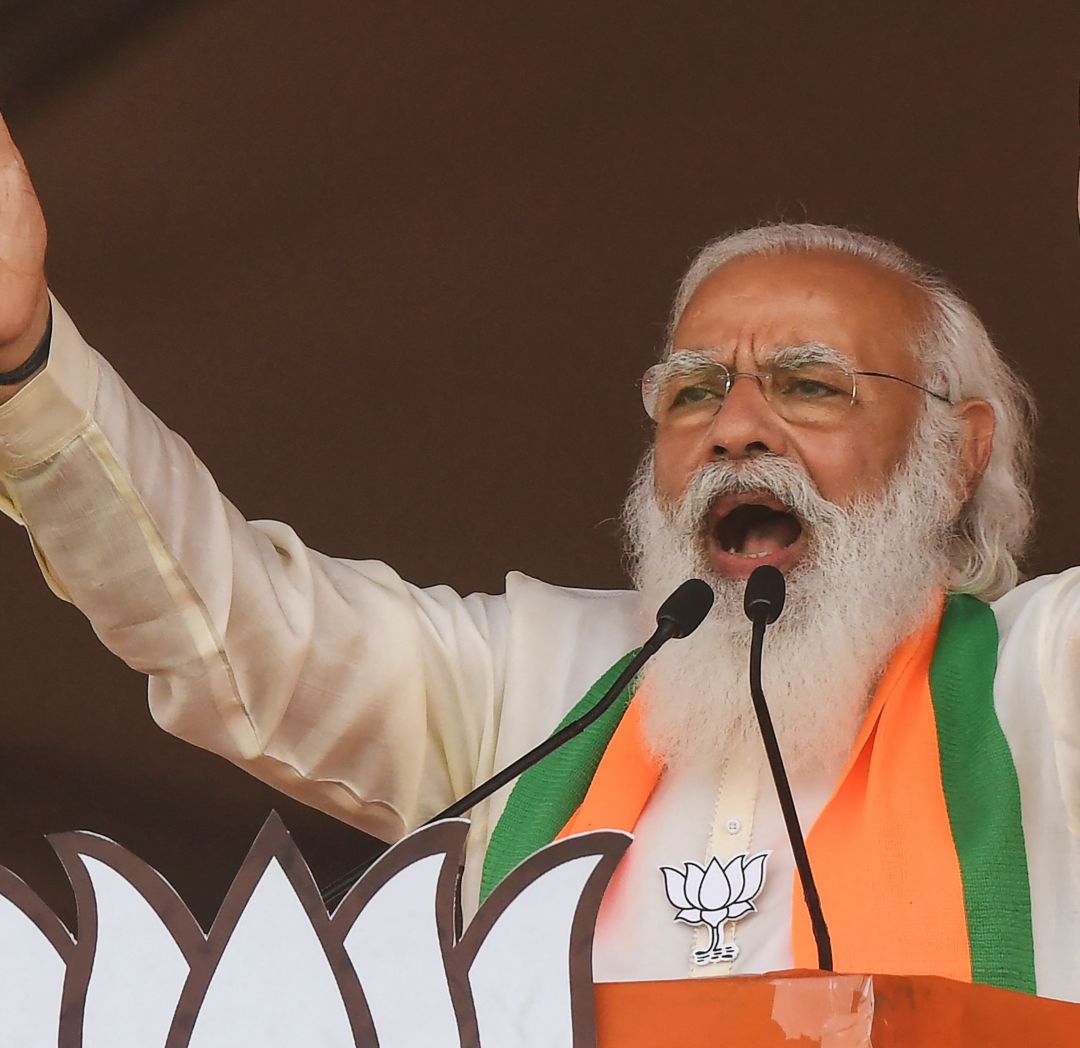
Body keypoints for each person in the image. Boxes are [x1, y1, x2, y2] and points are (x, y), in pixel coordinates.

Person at [1, 113, 1077, 1001]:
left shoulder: (1044, 685)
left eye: (808, 384)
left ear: (954, 453)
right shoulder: (543, 682)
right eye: (693, 391)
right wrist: (24, 356)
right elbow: (231, 627)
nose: (734, 426)